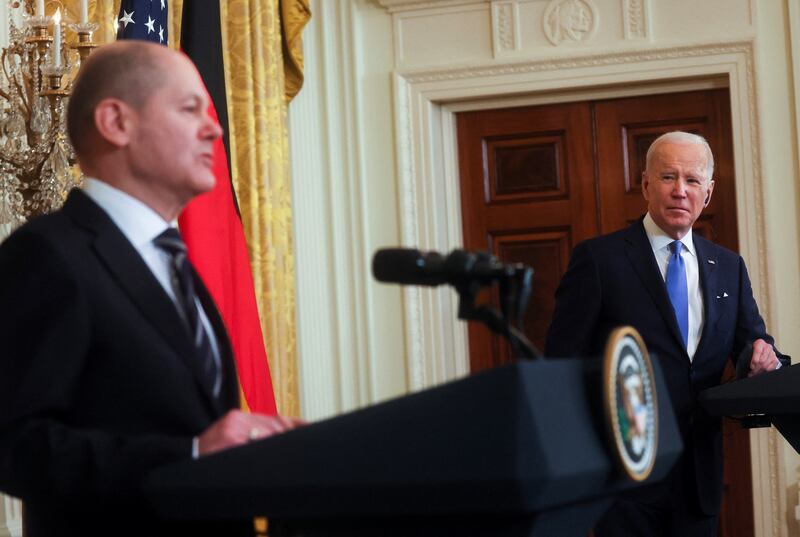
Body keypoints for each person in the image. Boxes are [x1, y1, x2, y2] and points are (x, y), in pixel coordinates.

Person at [0, 41, 299, 536]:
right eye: (190, 109)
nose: (215, 128)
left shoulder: (173, 262)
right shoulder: (48, 256)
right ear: (117, 123)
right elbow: (15, 445)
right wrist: (190, 455)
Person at [545, 131, 789, 536]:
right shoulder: (600, 260)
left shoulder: (729, 266)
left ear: (707, 193)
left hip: (699, 478)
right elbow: (562, 364)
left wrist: (764, 358)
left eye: (692, 181)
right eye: (667, 177)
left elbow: (754, 343)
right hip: (622, 478)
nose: (680, 191)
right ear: (645, 184)